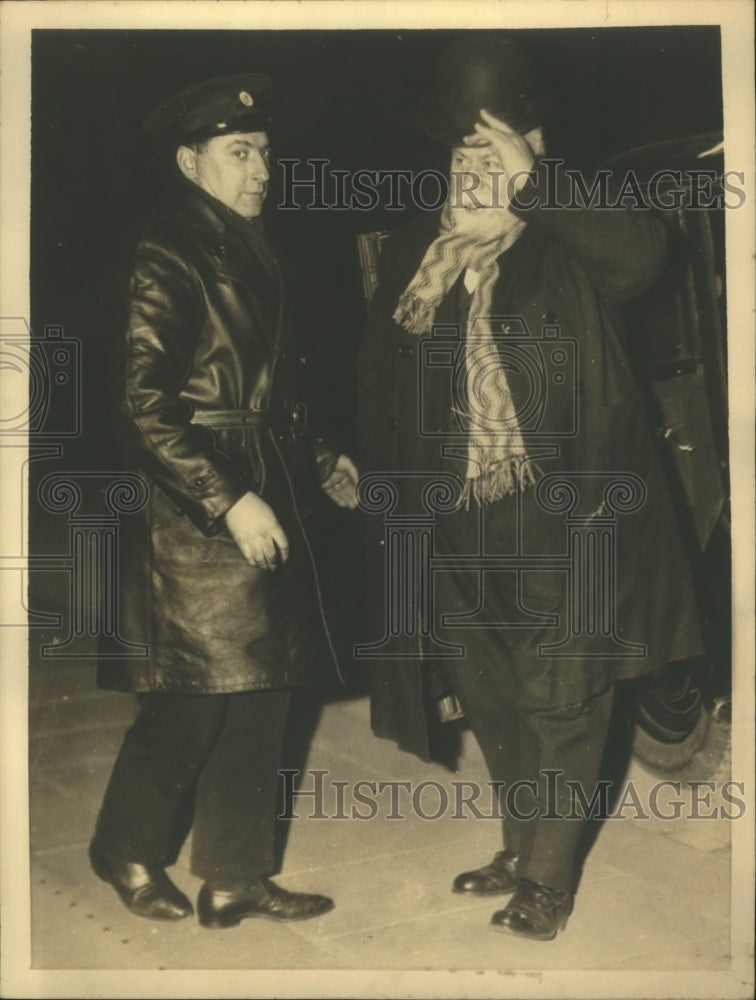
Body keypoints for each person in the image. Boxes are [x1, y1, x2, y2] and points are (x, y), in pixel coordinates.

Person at [357, 36, 701, 941]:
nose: (475, 167)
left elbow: (645, 258)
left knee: (563, 694)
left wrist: (534, 187)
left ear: (532, 149)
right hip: (456, 513)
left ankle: (549, 880)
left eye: (495, 149)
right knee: (493, 690)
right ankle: (521, 843)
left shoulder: (572, 240)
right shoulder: (415, 253)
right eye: (464, 152)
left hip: (562, 512)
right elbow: (384, 383)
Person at [91, 73, 358, 929]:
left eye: (264, 153)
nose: (260, 170)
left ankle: (235, 876)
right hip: (197, 507)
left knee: (265, 690)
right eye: (238, 153)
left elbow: (266, 385)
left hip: (263, 479)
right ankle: (126, 848)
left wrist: (320, 457)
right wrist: (230, 498)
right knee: (193, 698)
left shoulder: (248, 240)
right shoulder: (166, 247)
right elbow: (143, 402)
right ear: (188, 160)